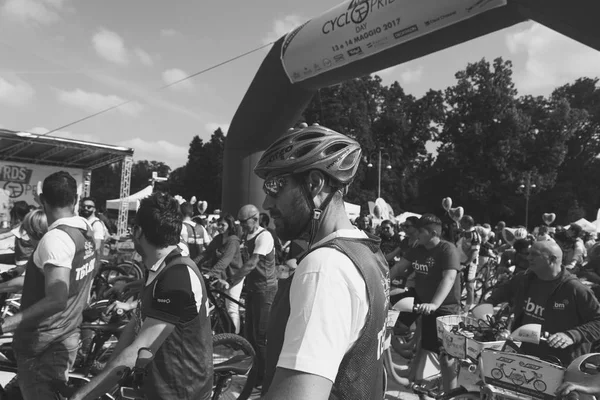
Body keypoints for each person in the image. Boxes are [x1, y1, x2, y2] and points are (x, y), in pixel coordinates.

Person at [255, 125, 388, 400]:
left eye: (275, 185)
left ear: (314, 184)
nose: (266, 201)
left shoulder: (325, 267)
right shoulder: (367, 253)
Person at [71, 192, 213, 400]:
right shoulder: (159, 264)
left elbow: (140, 348)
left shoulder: (177, 277)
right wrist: (109, 370)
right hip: (157, 383)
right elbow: (136, 323)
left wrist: (80, 397)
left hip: (180, 391)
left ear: (138, 232)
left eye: (131, 228)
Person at [0, 172, 98, 400]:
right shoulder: (85, 231)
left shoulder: (56, 238)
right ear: (76, 198)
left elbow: (57, 298)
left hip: (44, 343)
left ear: (42, 199)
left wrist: (5, 325)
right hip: (66, 335)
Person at [485, 241, 600, 366]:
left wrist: (572, 335)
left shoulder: (575, 289)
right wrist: (487, 305)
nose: (528, 257)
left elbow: (598, 321)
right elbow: (500, 293)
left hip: (561, 363)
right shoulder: (523, 279)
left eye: (534, 254)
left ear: (552, 259)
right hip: (525, 357)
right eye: (529, 253)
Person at [390, 214, 461, 391]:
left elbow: (449, 278)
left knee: (447, 357)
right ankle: (415, 376)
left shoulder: (447, 249)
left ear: (432, 232)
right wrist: (383, 282)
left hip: (446, 310)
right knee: (426, 346)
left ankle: (450, 393)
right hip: (425, 305)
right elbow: (399, 267)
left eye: (419, 231)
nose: (415, 234)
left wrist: (435, 304)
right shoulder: (418, 248)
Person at [221, 205, 277, 387]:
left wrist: (231, 280)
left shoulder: (264, 236)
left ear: (256, 218)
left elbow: (252, 263)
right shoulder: (247, 235)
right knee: (250, 335)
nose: (242, 226)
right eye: (241, 223)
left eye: (245, 223)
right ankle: (256, 373)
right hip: (254, 289)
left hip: (265, 289)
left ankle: (266, 377)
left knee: (260, 336)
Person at [202, 213, 244, 334]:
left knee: (231, 308)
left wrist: (210, 274)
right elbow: (206, 254)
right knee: (218, 306)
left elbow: (225, 260)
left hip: (234, 277)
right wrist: (192, 264)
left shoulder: (233, 241)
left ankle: (234, 338)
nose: (220, 226)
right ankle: (223, 332)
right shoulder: (218, 238)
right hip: (222, 277)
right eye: (219, 224)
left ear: (230, 226)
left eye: (223, 224)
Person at [0, 209, 48, 295]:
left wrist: (3, 286)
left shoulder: (46, 250)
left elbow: (26, 281)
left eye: (27, 233)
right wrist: (20, 269)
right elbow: (29, 263)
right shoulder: (41, 248)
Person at [456, 215, 481, 309]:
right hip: (460, 262)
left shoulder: (475, 235)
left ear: (467, 223)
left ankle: (467, 307)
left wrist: (466, 263)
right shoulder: (463, 233)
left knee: (469, 286)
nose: (460, 223)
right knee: (458, 284)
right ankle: (458, 304)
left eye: (462, 222)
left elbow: (475, 252)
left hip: (470, 264)